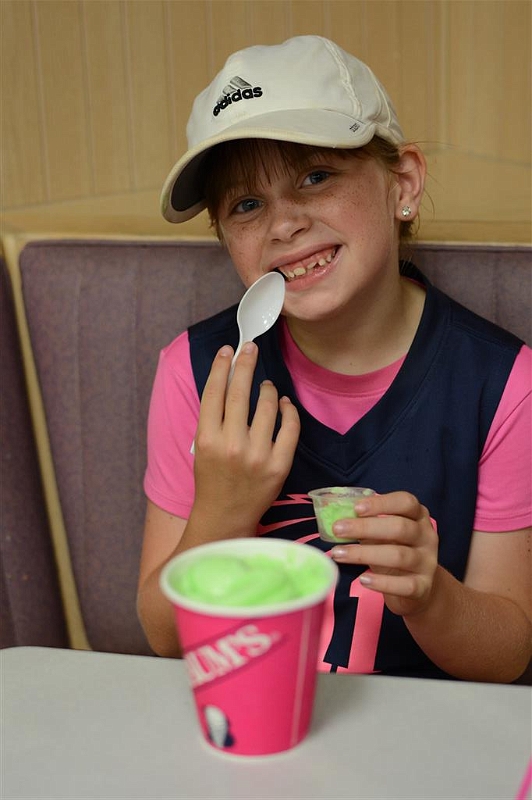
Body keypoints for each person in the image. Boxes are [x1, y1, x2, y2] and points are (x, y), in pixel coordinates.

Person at [137, 35, 531, 681]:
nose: (283, 224)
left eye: (316, 177)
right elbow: (163, 634)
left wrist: (431, 595)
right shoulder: (194, 370)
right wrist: (222, 511)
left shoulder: (503, 384)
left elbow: (508, 655)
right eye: (246, 205)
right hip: (255, 718)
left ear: (402, 184)